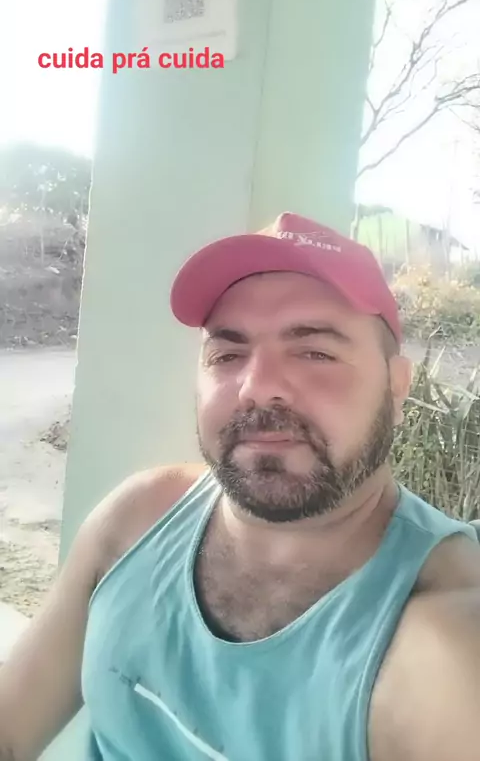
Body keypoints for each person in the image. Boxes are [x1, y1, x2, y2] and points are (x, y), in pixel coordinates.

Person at [1, 211, 480, 761]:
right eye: (228, 354)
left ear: (396, 388)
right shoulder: (136, 520)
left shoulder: (445, 642)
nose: (257, 387)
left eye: (315, 352)